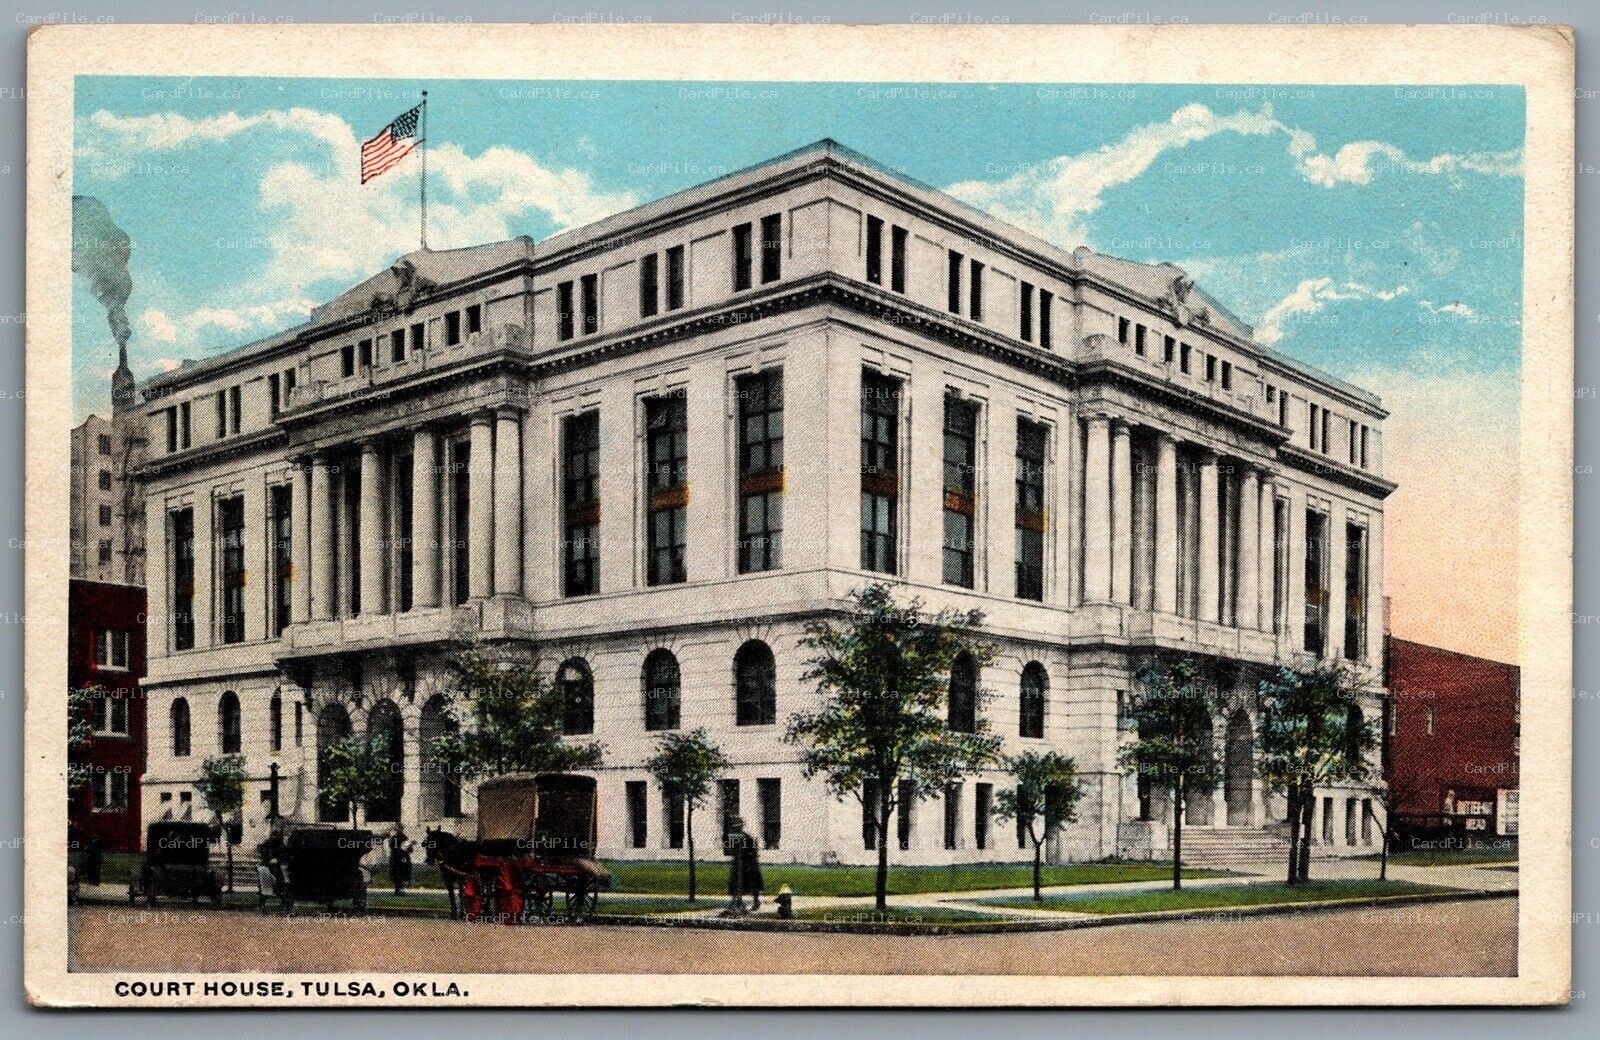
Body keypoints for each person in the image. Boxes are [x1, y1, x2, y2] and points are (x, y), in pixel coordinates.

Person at [722, 816, 763, 915]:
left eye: (737, 825)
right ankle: (735, 901)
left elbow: (752, 850)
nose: (735, 827)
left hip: (749, 862)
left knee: (752, 882)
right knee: (736, 882)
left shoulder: (747, 837)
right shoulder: (733, 836)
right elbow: (729, 850)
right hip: (739, 862)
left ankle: (756, 901)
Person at [387, 825, 414, 896]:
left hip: (402, 857)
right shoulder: (394, 838)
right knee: (396, 874)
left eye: (401, 828)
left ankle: (400, 889)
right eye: (398, 829)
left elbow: (409, 848)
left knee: (402, 873)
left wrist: (408, 848)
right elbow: (393, 847)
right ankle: (398, 889)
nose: (400, 830)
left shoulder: (404, 838)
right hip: (396, 858)